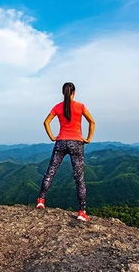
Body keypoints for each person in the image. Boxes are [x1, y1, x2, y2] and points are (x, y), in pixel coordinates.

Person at [36, 82, 96, 222]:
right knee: (79, 178)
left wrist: (52, 137)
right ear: (74, 92)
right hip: (76, 143)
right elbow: (92, 122)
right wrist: (88, 138)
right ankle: (82, 211)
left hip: (61, 142)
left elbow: (46, 122)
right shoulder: (80, 106)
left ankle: (41, 200)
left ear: (63, 93)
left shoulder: (57, 107)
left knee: (51, 170)